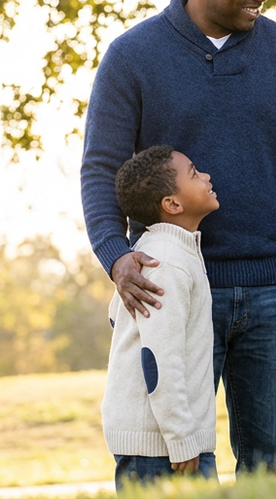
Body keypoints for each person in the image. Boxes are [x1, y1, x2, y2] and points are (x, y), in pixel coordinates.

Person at [81, 0, 276, 473]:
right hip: (169, 291)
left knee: (271, 468)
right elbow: (102, 169)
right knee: (172, 467)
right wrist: (116, 255)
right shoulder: (132, 56)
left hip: (273, 294)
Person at [102, 146, 219, 489]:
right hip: (161, 449)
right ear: (172, 204)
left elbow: (117, 319)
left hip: (164, 441)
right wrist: (181, 437)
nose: (207, 177)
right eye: (195, 173)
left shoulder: (163, 251)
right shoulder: (166, 261)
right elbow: (159, 359)